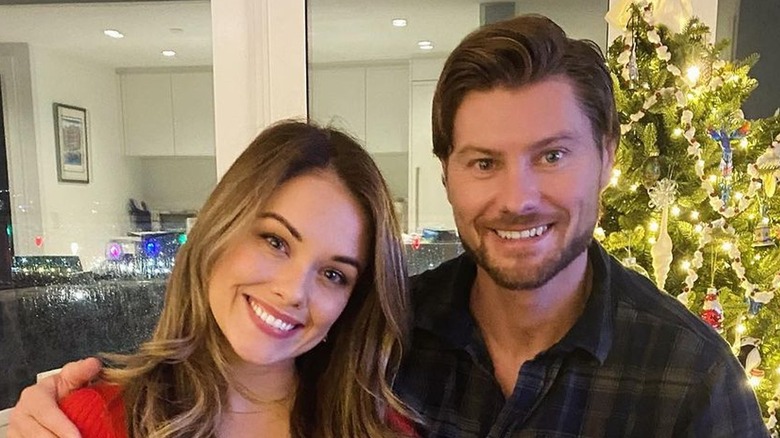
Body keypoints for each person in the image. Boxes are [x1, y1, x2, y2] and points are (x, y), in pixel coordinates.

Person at [9, 14, 769, 438]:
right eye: (482, 162)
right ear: (447, 174)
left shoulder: (690, 380)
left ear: (605, 157)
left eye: (552, 154)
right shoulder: (387, 338)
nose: (519, 195)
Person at [9, 120, 417, 438]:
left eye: (333, 274)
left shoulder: (381, 429)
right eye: (275, 241)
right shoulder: (93, 421)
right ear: (220, 230)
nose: (293, 291)